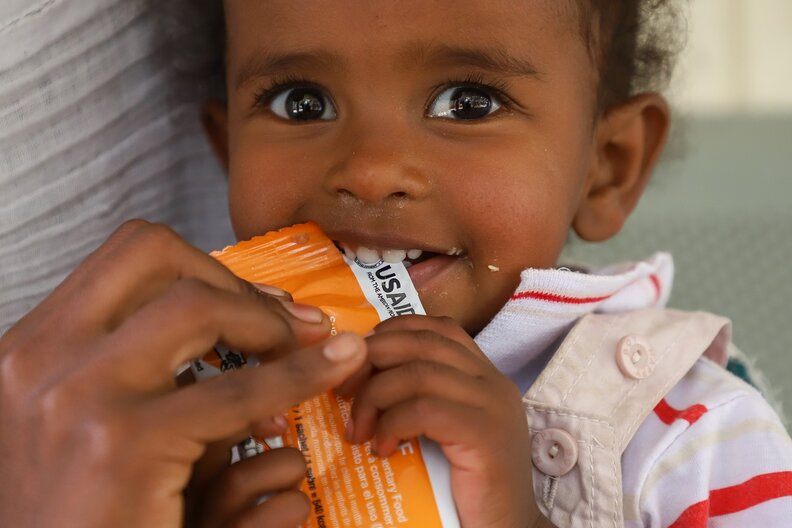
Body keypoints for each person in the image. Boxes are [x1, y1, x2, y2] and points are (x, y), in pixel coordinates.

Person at [1, 2, 790, 528]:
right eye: (300, 103)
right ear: (225, 150)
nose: (371, 171)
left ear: (607, 166)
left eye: (468, 102)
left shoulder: (695, 436)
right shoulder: (184, 421)